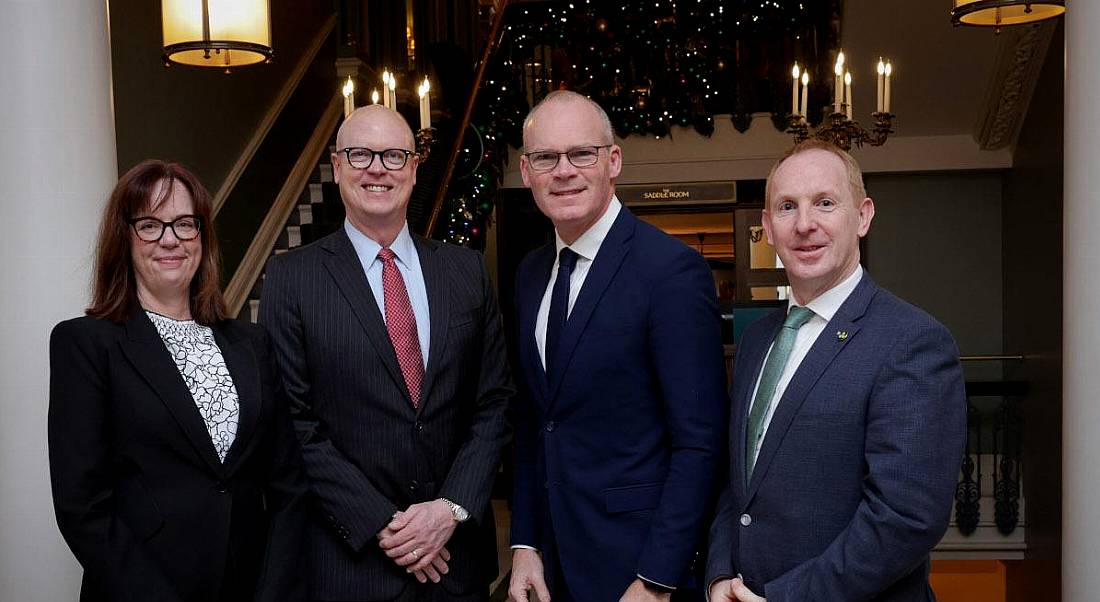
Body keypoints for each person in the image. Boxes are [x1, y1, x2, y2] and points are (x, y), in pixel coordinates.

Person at [259, 105, 513, 602]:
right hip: (351, 565)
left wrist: (449, 509)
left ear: (415, 170)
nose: (377, 168)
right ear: (336, 167)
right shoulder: (292, 279)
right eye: (360, 154)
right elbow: (293, 422)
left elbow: (494, 401)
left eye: (394, 155)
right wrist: (385, 525)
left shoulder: (465, 272)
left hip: (455, 565)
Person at [706, 139, 967, 601]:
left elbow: (906, 518)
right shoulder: (755, 341)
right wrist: (719, 575)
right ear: (767, 227)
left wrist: (787, 598)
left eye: (825, 203)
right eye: (787, 207)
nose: (805, 224)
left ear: (863, 216)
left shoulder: (912, 341)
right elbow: (740, 483)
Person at [48, 160, 307, 602]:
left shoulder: (251, 342)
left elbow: (288, 485)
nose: (170, 239)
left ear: (202, 238)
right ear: (124, 238)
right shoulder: (86, 343)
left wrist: (274, 591)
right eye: (149, 224)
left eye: (185, 224)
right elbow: (83, 506)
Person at [507, 90, 728, 602]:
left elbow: (699, 441)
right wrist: (524, 544)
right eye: (546, 157)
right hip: (551, 567)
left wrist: (657, 579)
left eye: (581, 153)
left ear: (613, 161)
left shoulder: (670, 271)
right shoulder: (530, 273)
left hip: (639, 568)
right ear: (526, 171)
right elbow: (534, 422)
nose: (564, 171)